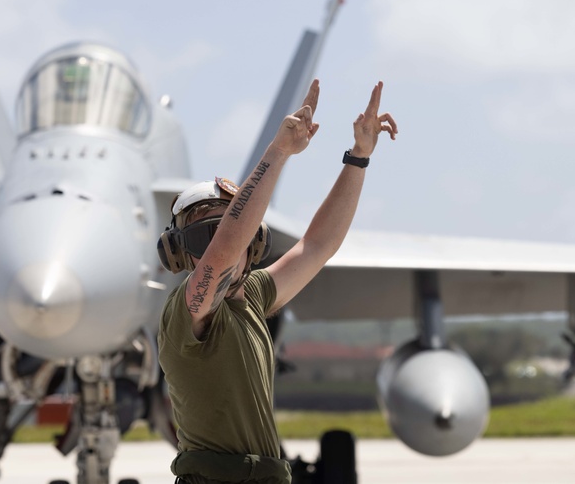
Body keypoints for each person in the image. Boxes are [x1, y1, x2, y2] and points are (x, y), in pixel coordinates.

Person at [157, 79, 397, 484]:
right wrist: (278, 152)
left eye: (233, 230)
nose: (226, 244)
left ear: (256, 242)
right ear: (179, 253)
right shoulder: (188, 311)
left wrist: (358, 157)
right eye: (204, 235)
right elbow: (221, 256)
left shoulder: (251, 296)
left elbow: (318, 245)